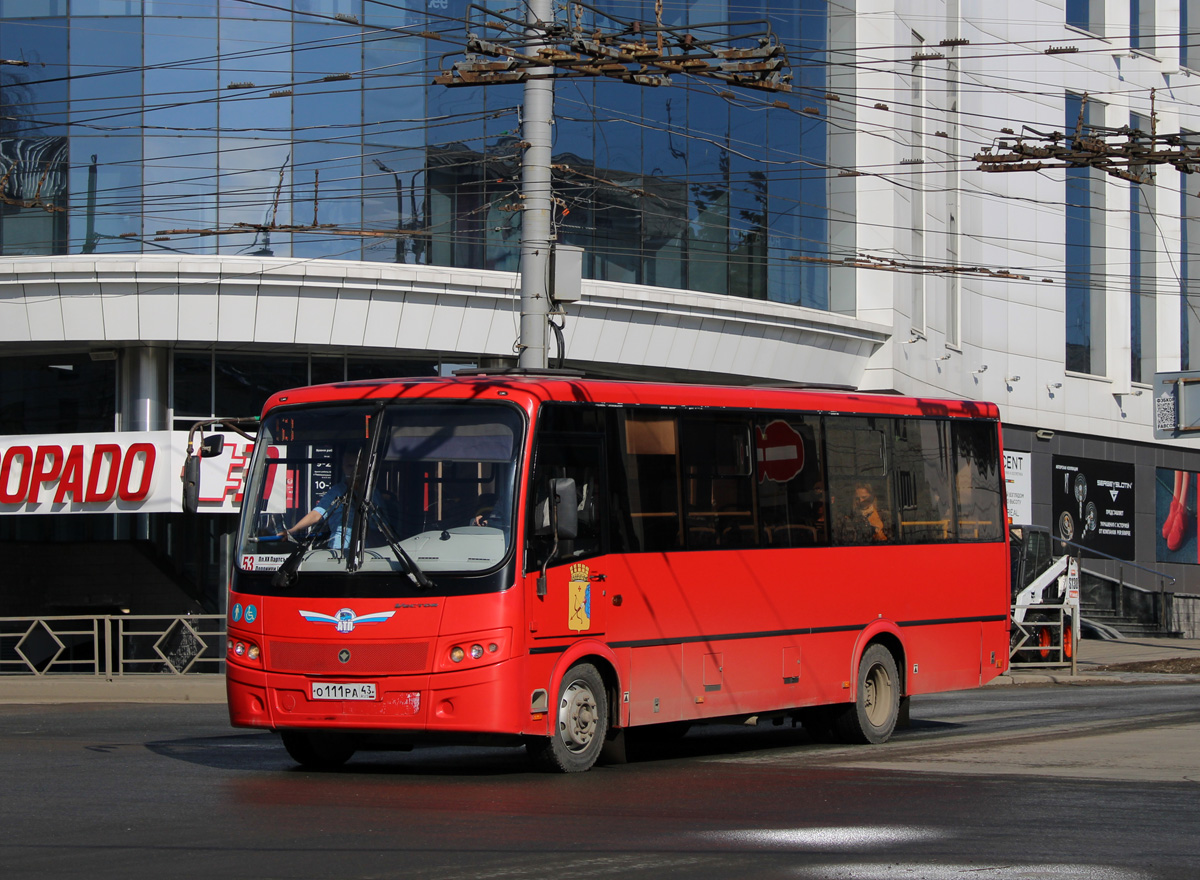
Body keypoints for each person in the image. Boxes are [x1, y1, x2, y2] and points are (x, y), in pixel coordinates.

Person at [281, 447, 372, 551]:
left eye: (358, 466)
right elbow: (317, 513)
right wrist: (293, 530)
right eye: (350, 466)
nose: (354, 470)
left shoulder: (372, 493)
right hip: (338, 550)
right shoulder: (337, 491)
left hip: (366, 552)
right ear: (343, 467)